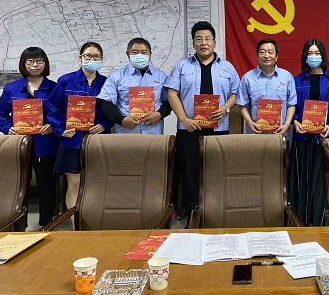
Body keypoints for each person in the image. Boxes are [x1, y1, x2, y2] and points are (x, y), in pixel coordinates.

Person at [165, 21, 240, 217]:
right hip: (189, 129)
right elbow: (172, 93)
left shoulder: (227, 67)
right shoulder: (182, 66)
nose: (203, 43)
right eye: (199, 39)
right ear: (193, 43)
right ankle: (191, 213)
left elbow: (235, 93)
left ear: (214, 42)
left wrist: (225, 108)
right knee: (189, 171)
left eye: (207, 39)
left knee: (216, 170)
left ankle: (215, 212)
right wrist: (183, 119)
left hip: (219, 128)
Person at [0, 47, 59, 227]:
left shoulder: (54, 88)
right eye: (30, 61)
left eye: (39, 61)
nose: (35, 65)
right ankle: (18, 224)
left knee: (46, 184)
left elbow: (62, 114)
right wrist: (8, 128)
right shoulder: (11, 88)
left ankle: (46, 224)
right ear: (24, 64)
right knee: (18, 185)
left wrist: (53, 126)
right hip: (19, 144)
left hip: (45, 144)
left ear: (45, 63)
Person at [47, 42, 113, 212]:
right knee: (74, 183)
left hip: (97, 140)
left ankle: (94, 219)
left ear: (101, 59)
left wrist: (104, 125)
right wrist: (61, 130)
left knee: (97, 183)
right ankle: (75, 222)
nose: (92, 59)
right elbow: (53, 109)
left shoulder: (107, 83)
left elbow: (114, 110)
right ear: (80, 58)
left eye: (96, 56)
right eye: (88, 56)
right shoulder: (65, 81)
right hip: (71, 140)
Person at [290, 39, 329, 226]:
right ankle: (299, 222)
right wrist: (295, 121)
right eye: (309, 53)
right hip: (301, 138)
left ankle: (321, 223)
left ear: (323, 56)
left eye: (317, 53)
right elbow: (290, 106)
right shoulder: (296, 80)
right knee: (300, 182)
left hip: (324, 139)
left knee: (322, 181)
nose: (313, 57)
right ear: (304, 57)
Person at [97, 37, 171, 134]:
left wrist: (160, 114)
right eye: (135, 52)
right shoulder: (116, 76)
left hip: (154, 132)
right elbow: (105, 102)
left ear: (150, 54)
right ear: (128, 54)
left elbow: (170, 101)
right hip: (126, 133)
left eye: (144, 52)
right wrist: (121, 120)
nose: (139, 56)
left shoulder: (161, 76)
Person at [236, 38, 297, 136]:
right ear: (257, 55)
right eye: (262, 52)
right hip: (256, 134)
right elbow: (242, 104)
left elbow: (292, 104)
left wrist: (286, 124)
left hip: (279, 133)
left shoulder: (287, 77)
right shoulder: (247, 78)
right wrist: (249, 122)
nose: (266, 56)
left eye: (270, 52)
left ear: (276, 56)